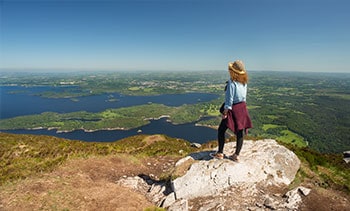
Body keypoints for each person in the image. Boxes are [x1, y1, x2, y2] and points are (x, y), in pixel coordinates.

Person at [210, 60, 252, 161]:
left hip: (233, 108)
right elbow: (243, 97)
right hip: (242, 107)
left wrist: (225, 113)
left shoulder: (231, 83)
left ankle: (220, 153)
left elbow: (229, 100)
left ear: (233, 71)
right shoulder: (244, 82)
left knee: (221, 130)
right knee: (240, 132)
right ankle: (236, 155)